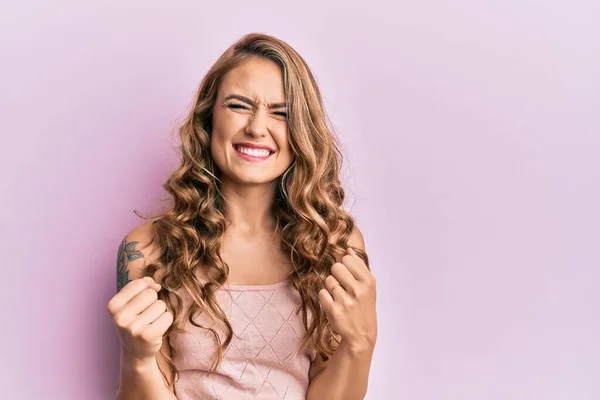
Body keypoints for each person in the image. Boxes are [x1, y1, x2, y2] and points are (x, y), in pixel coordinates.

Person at [107, 32, 378, 400]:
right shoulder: (147, 250)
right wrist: (137, 360)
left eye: (281, 113)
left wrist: (360, 343)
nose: (256, 127)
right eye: (238, 105)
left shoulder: (333, 245)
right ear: (208, 117)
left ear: (302, 130)